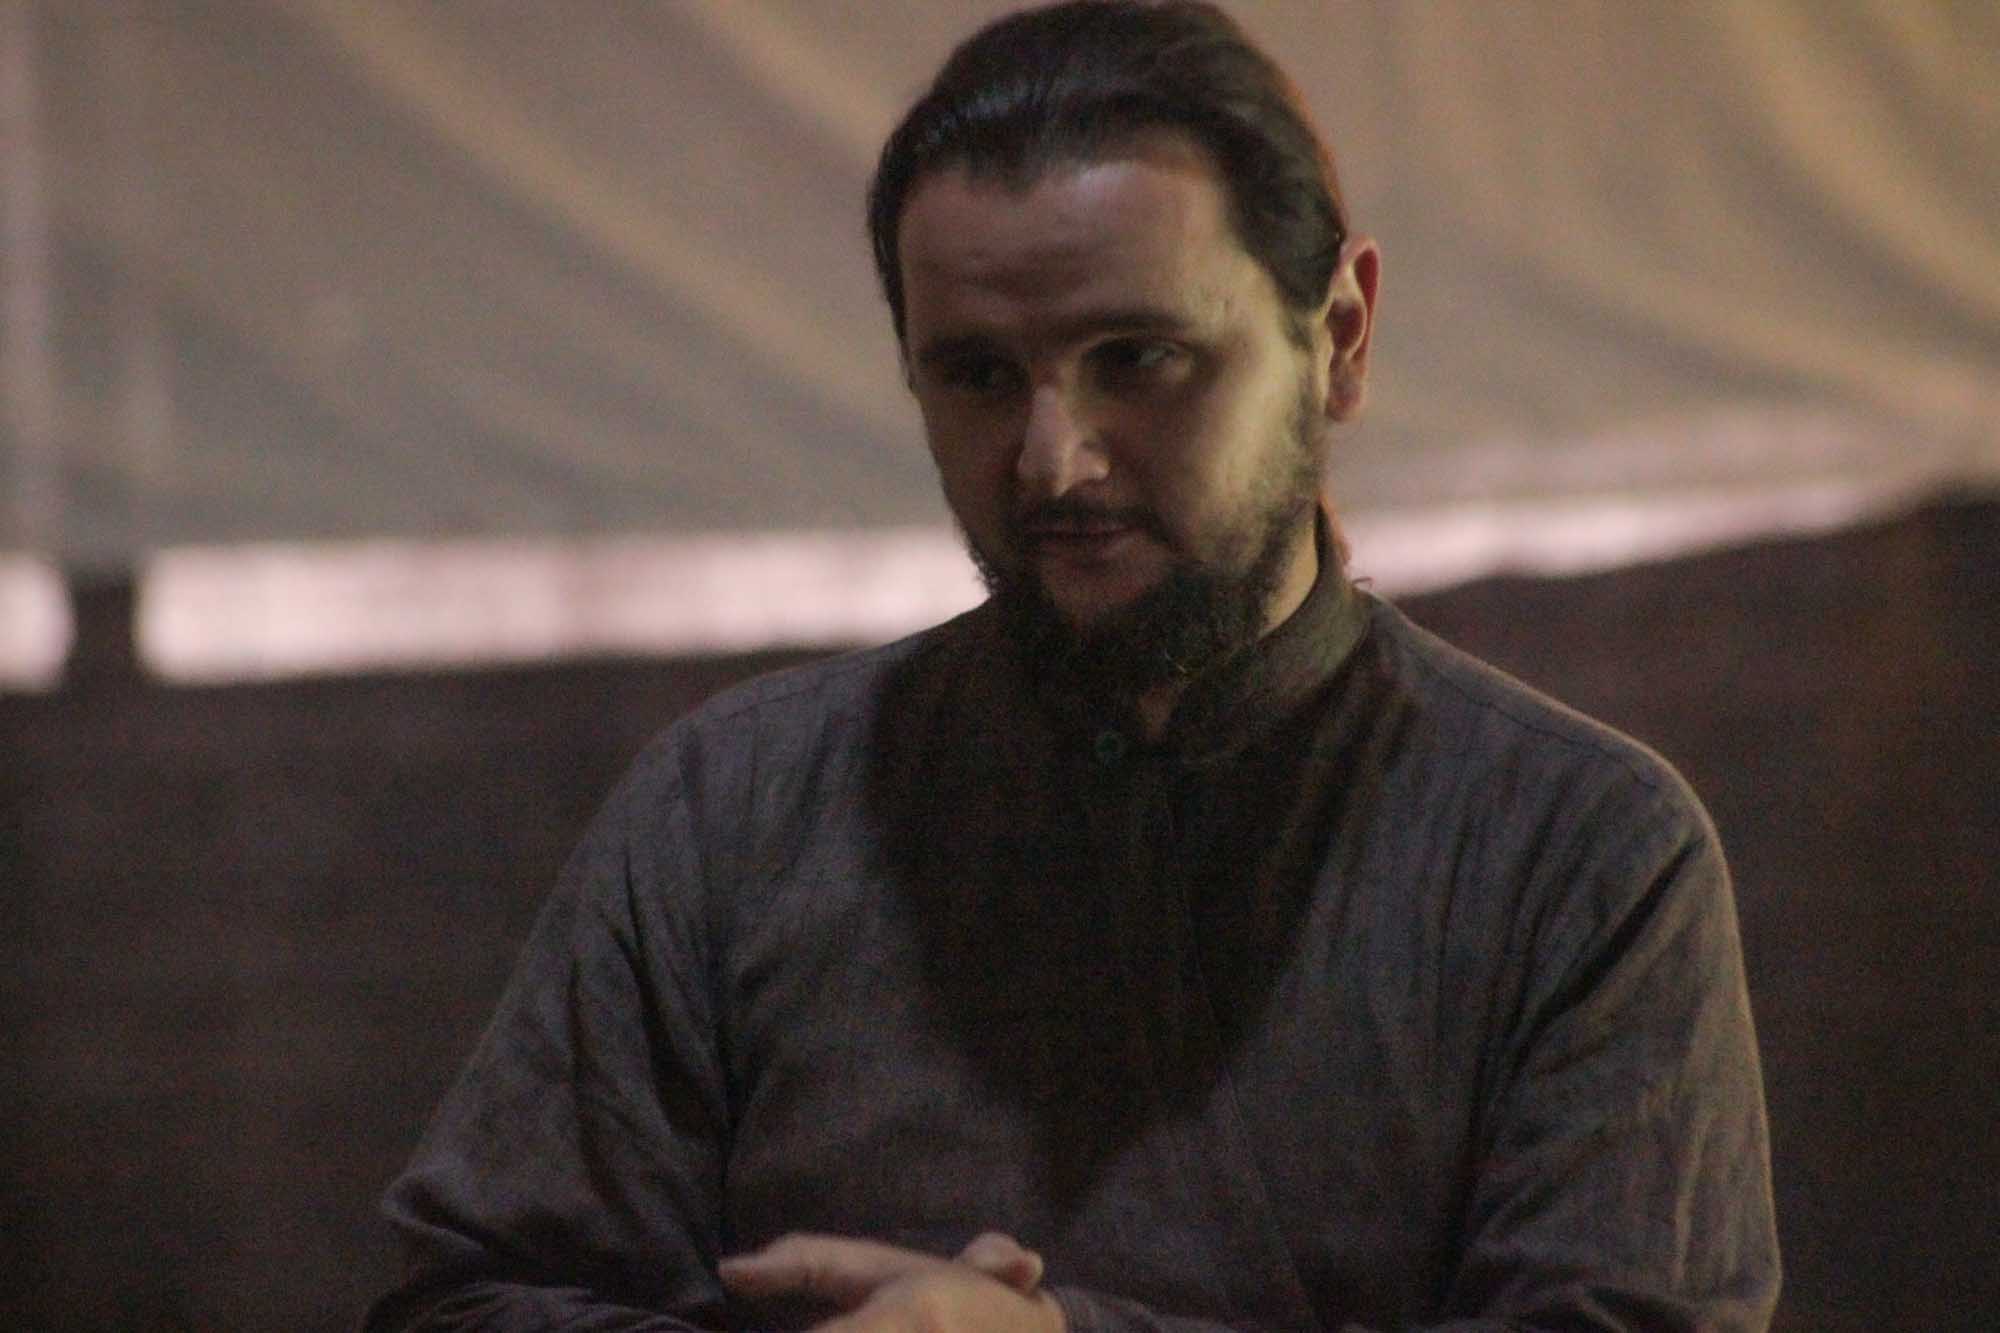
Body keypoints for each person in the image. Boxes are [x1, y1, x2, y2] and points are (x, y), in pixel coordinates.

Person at [367, 3, 1780, 1329]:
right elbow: (465, 1302)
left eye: (1139, 359)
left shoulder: (1577, 856)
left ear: (1340, 339)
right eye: (979, 376)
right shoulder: (729, 812)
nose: (1054, 460)